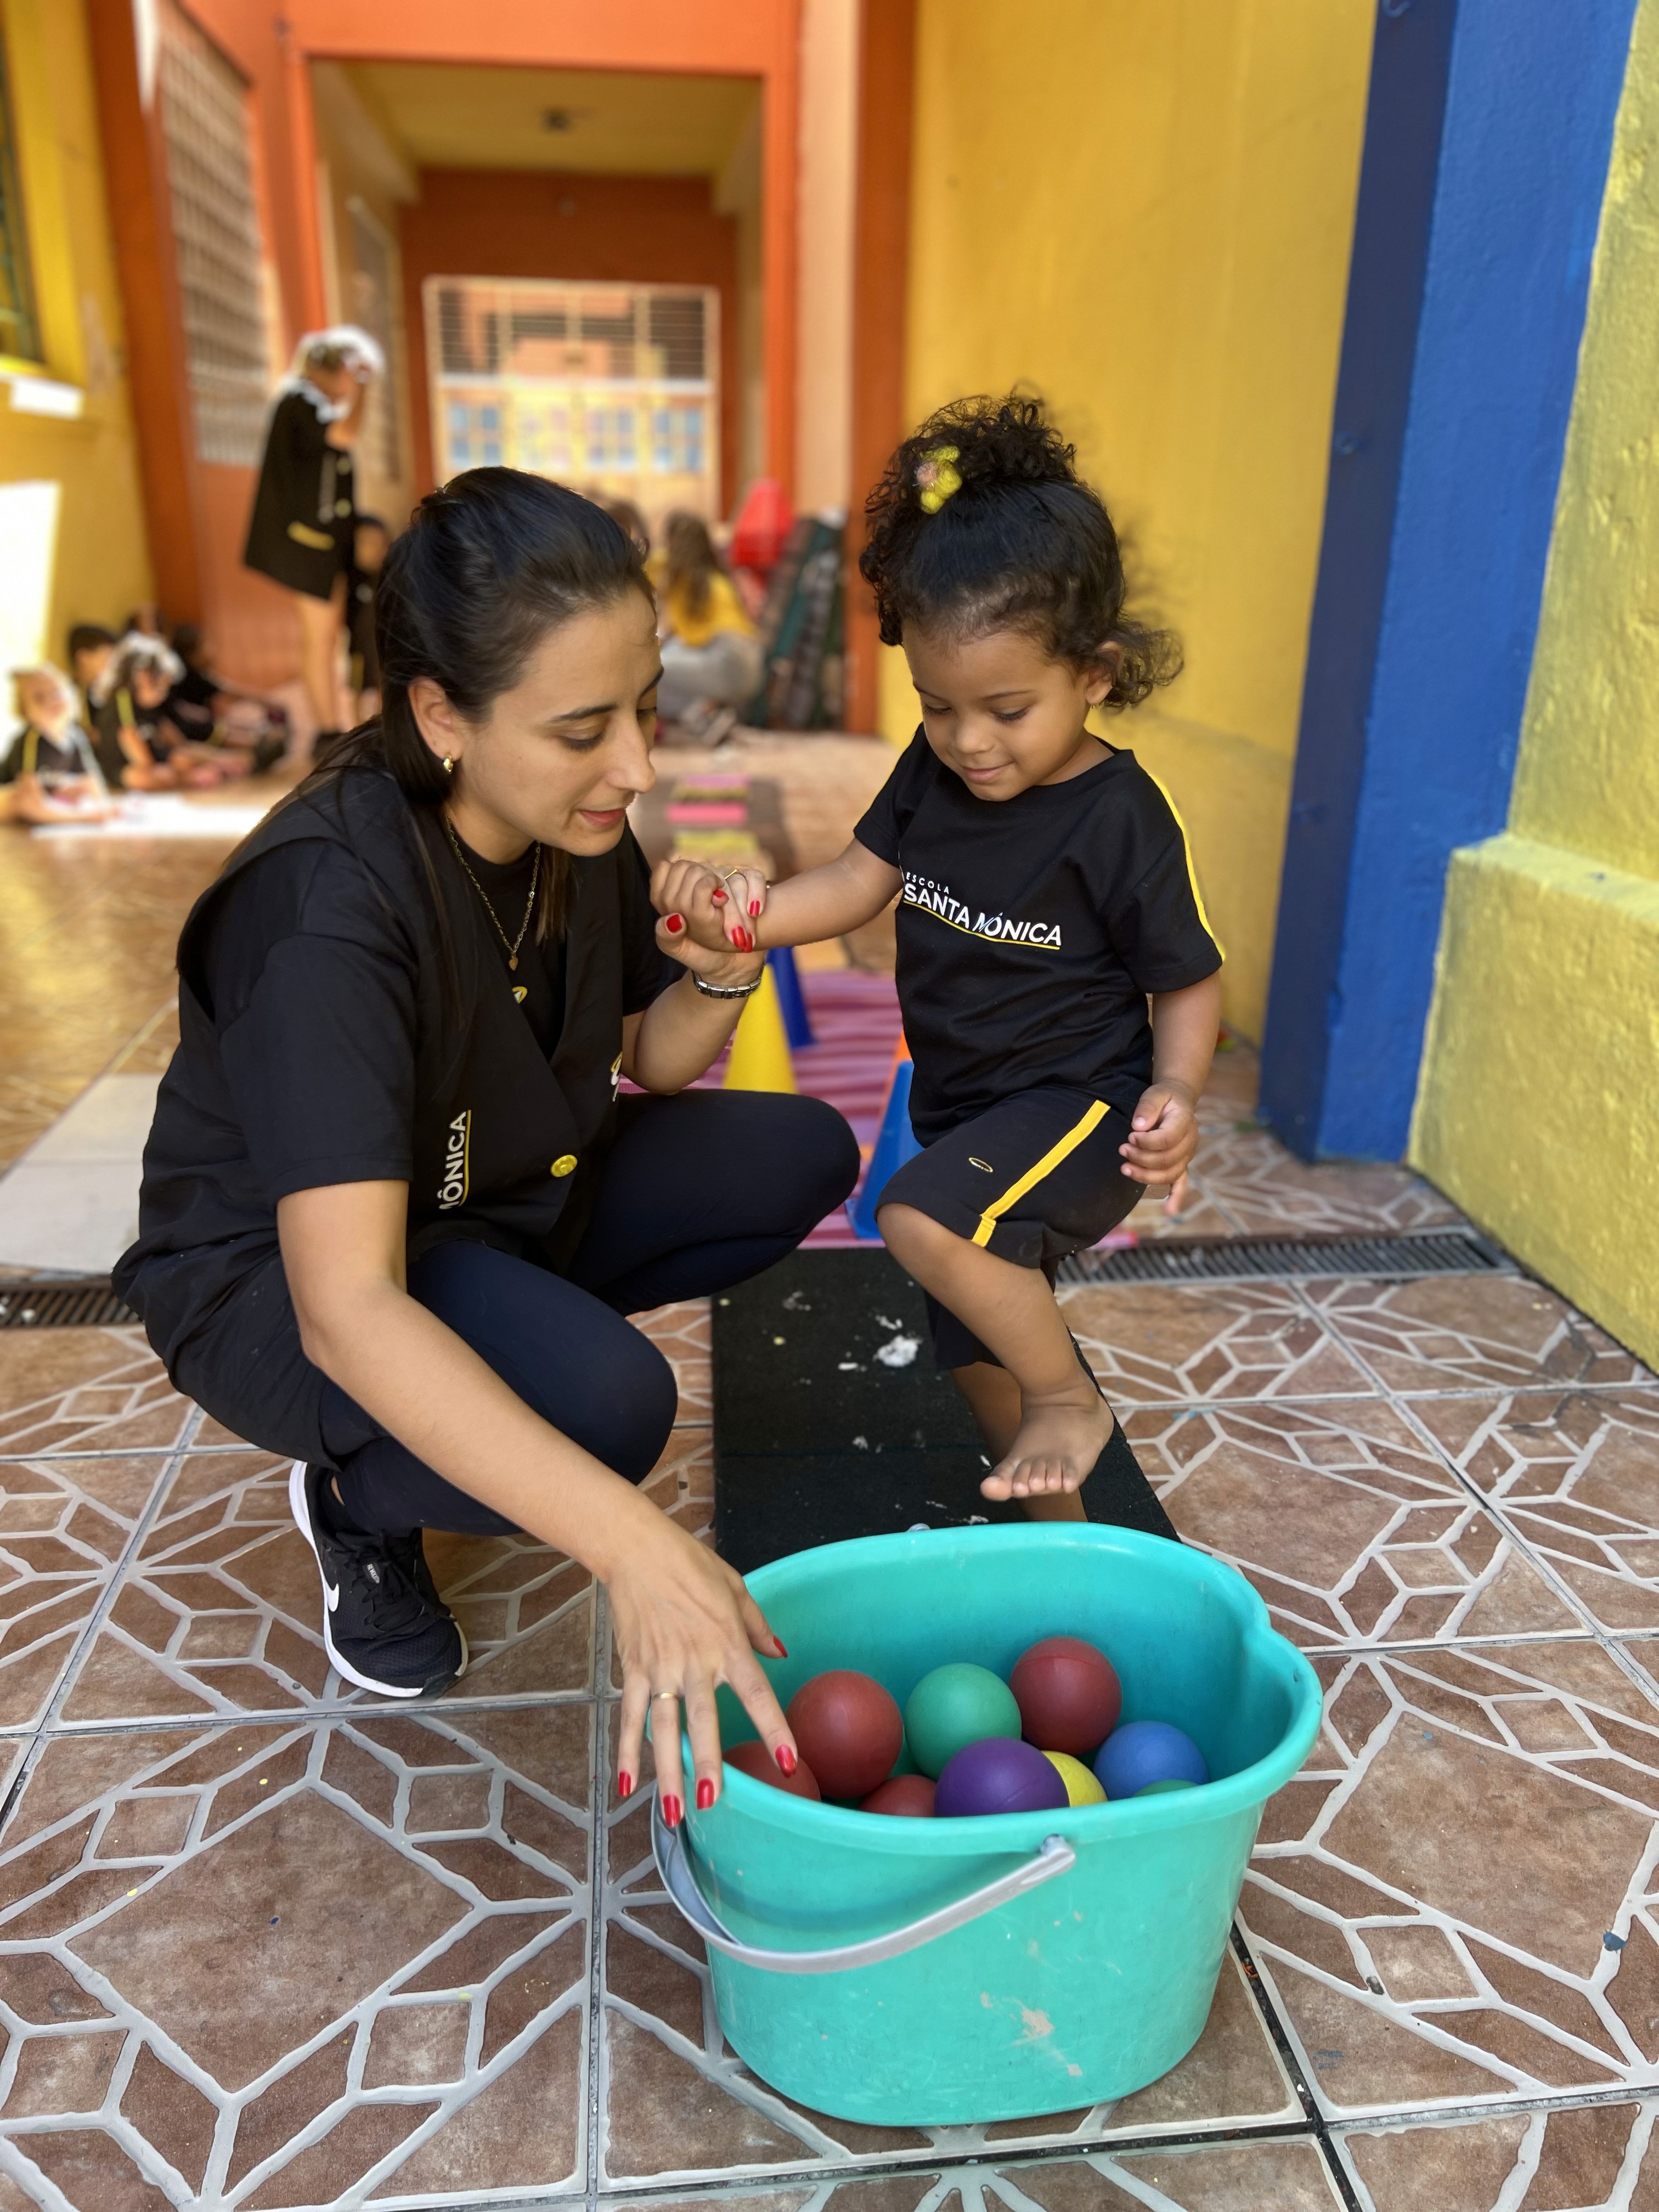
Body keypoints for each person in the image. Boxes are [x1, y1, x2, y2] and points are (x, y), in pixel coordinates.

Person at [114, 469, 859, 1821]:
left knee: (794, 1154)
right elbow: (347, 1309)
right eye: (585, 730)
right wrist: (633, 1550)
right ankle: (365, 1506)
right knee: (610, 1410)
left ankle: (504, 1365)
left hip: (487, 1191)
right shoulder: (326, 910)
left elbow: (649, 1054)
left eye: (641, 710)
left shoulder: (564, 817)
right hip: (286, 1285)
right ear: (441, 712)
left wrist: (721, 972)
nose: (635, 766)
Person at [679, 395, 1223, 1517]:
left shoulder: (1118, 816)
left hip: (1082, 1101)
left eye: (1007, 709)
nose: (971, 741)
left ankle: (1069, 1399)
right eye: (938, 708)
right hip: (967, 1104)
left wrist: (1176, 1087)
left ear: (1096, 673)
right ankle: (1056, 1532)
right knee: (971, 1327)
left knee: (921, 1219)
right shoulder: (934, 778)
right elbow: (848, 885)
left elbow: (1186, 973)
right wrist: (745, 916)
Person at [243, 325, 384, 754]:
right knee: (319, 638)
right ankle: (327, 731)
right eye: (351, 373)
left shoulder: (307, 405)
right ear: (336, 368)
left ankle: (331, 725)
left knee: (326, 640)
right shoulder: (300, 402)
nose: (352, 384)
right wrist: (364, 392)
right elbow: (342, 435)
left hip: (321, 546)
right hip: (308, 548)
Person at [656, 511, 762, 742]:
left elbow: (687, 637)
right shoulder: (717, 577)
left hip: (727, 661)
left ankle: (703, 716)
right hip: (751, 664)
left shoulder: (683, 580)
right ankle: (706, 712)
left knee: (648, 671)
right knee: (667, 658)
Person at [92, 641, 251, 790]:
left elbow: (174, 738)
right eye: (160, 688)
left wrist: (187, 755)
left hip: (154, 757)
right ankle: (192, 778)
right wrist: (173, 770)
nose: (163, 695)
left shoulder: (145, 703)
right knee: (147, 777)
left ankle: (226, 762)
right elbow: (140, 755)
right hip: (127, 767)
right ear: (143, 678)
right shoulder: (122, 701)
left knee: (182, 756)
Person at [0, 665, 119, 824]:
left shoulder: (75, 737)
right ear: (25, 711)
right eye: (39, 698)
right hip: (12, 797)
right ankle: (77, 818)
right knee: (20, 798)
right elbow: (30, 797)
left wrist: (106, 807)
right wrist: (87, 817)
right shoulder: (31, 740)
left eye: (56, 693)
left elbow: (93, 783)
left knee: (77, 788)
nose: (51, 701)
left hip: (49, 798)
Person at [168, 623, 290, 769]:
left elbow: (223, 688)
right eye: (205, 645)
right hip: (197, 731)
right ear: (192, 654)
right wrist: (264, 701)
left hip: (207, 727)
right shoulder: (188, 678)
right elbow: (229, 692)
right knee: (262, 745)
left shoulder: (196, 674)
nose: (211, 650)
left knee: (248, 731)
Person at [345, 514, 390, 720]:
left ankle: (385, 721)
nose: (374, 549)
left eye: (379, 543)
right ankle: (356, 724)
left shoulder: (387, 578)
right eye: (366, 543)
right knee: (356, 687)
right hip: (358, 648)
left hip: (382, 646)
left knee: (385, 683)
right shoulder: (351, 579)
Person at [67, 623, 117, 724]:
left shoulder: (110, 694)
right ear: (83, 658)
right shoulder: (68, 695)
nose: (112, 665)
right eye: (106, 658)